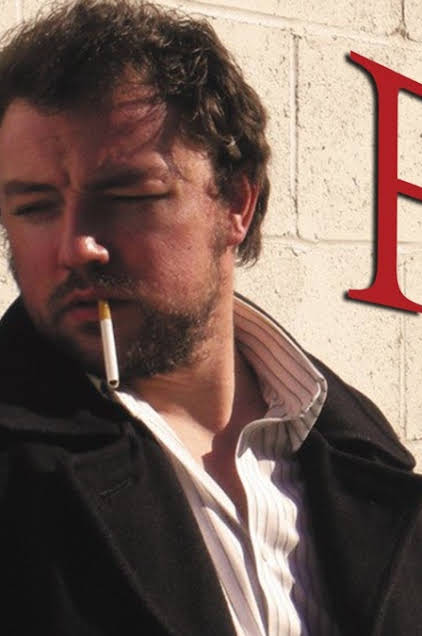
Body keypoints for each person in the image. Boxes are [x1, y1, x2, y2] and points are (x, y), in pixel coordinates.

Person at [0, 1, 421, 635]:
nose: (77, 247)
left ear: (237, 203)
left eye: (129, 195)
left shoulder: (357, 449)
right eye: (34, 207)